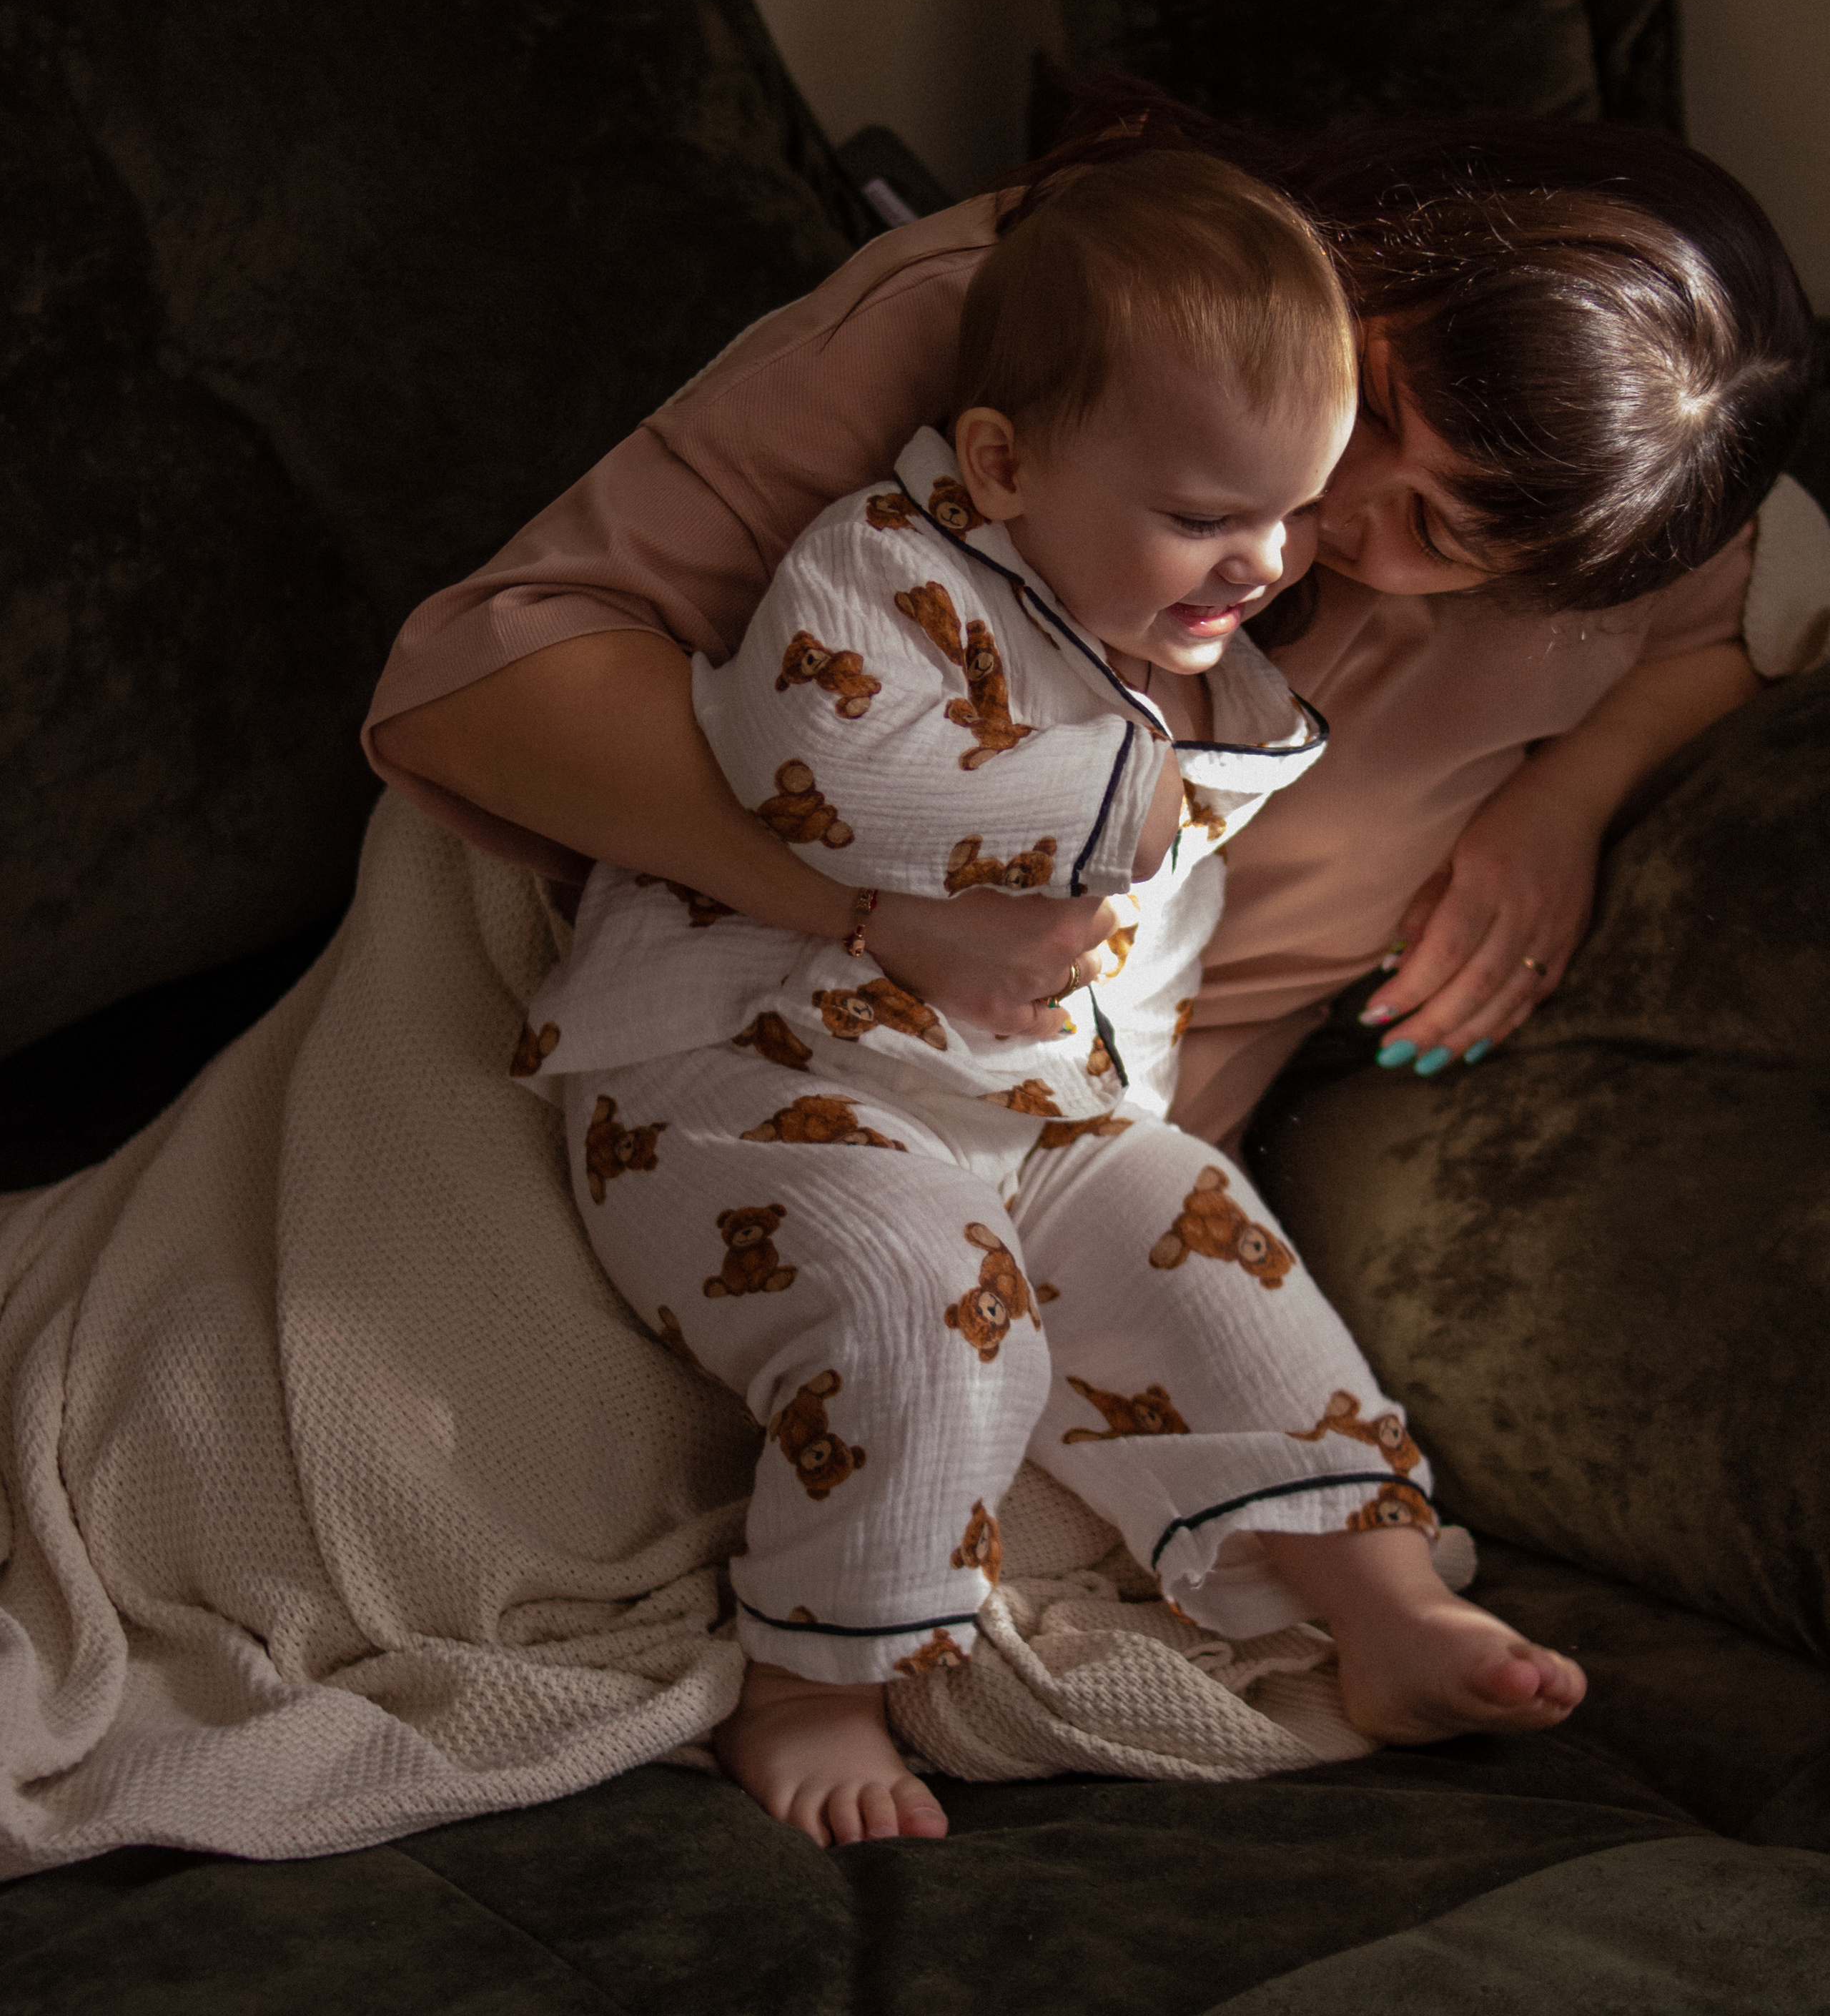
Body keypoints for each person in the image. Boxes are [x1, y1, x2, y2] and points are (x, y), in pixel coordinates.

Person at [511, 150, 1586, 1847]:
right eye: (1201, 517)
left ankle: (1377, 1601)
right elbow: (813, 771)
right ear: (1003, 464)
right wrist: (1112, 799)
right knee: (921, 1309)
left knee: (1208, 1245)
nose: (1263, 562)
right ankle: (814, 1680)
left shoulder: (1187, 654)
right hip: (749, 1075)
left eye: (1289, 514)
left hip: (1031, 1114)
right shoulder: (883, 571)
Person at [366, 93, 1813, 1151]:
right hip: (728, 1015)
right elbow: (473, 684)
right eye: (1370, 404)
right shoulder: (1039, 315)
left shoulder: (1613, 507)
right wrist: (885, 916)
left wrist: (1563, 799)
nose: (1323, 505)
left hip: (1086, 1152)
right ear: (1391, 241)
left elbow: (1720, 622)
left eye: (1441, 531)